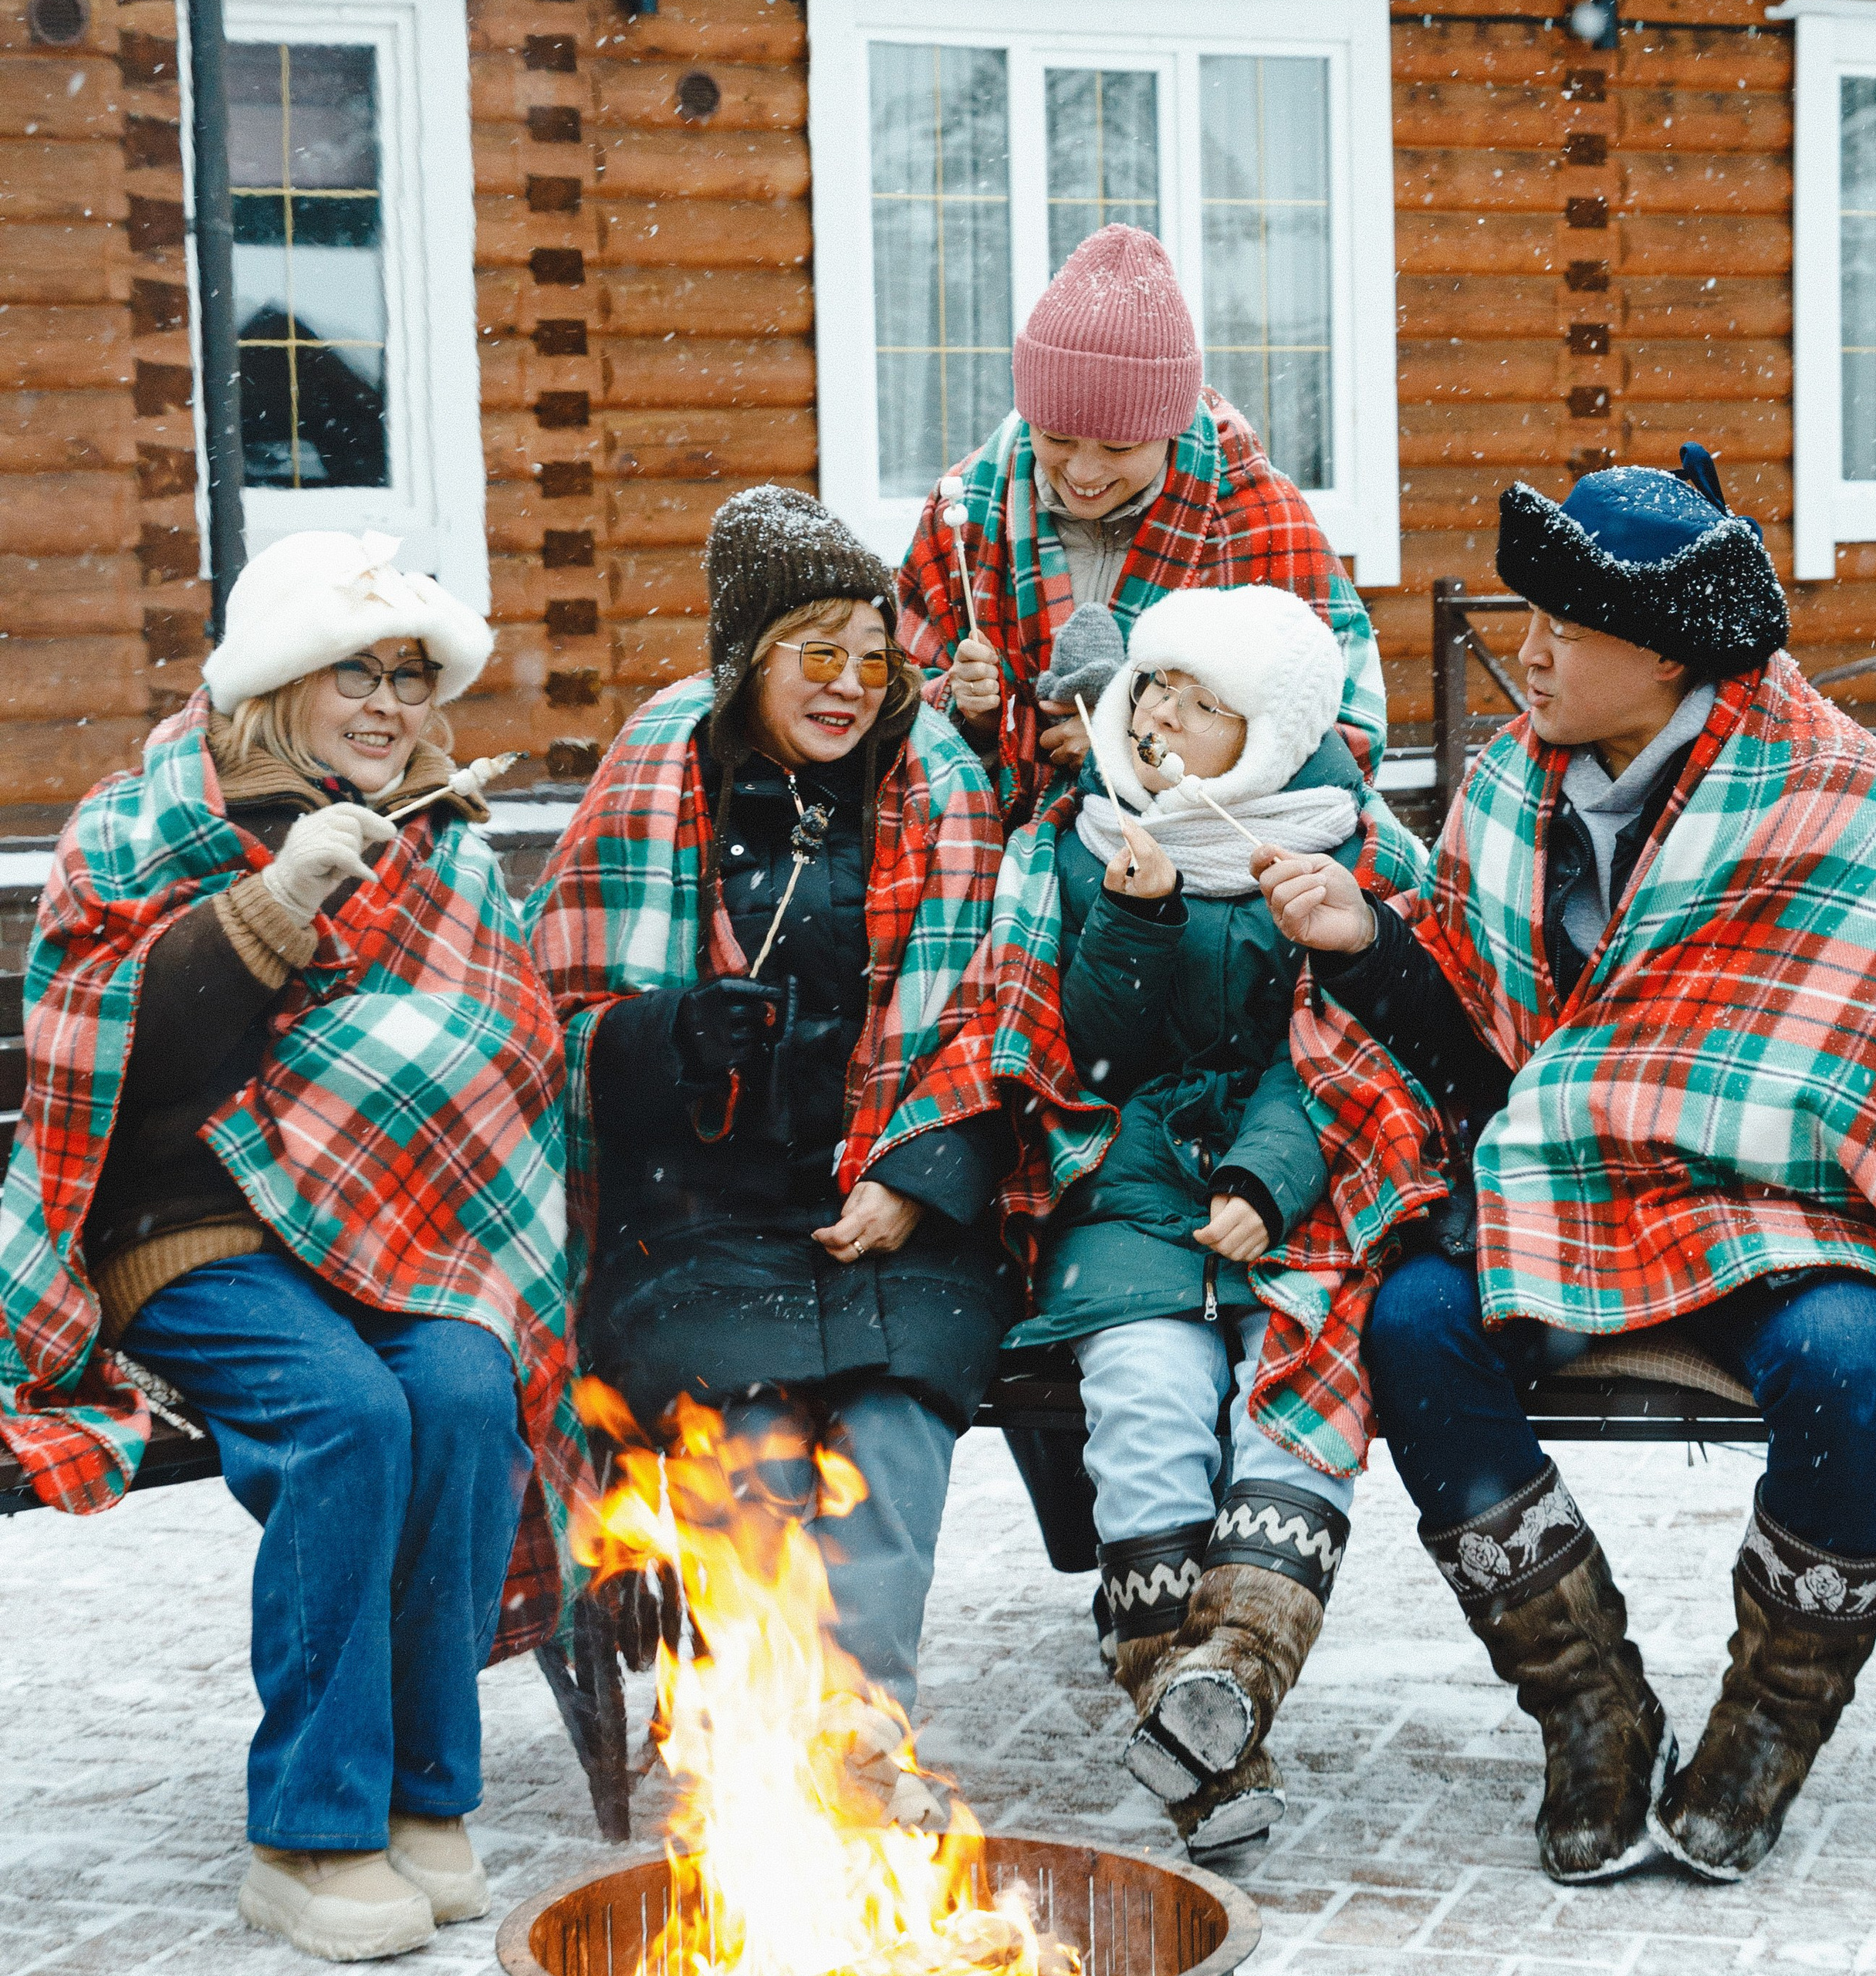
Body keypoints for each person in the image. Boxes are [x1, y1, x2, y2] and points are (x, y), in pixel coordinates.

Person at [1249, 445, 1876, 1886]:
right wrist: (1370, 950)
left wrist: (1632, 1113)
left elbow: (1860, 1066)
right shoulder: (1519, 787)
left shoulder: (1836, 794)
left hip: (1780, 1217)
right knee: (1409, 1326)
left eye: (1559, 631)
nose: (1523, 655)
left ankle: (1770, 1720)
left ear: (1659, 655)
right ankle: (1589, 1706)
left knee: (1851, 1357)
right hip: (1566, 1205)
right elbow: (1487, 1052)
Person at [0, 531, 577, 1962]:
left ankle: (427, 1801)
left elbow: (498, 1052)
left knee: (454, 1392)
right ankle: (309, 1835)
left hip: (400, 1232)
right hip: (185, 1228)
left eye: (408, 679)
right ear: (273, 689)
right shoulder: (145, 824)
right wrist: (278, 901)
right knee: (345, 1416)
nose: (387, 707)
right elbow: (119, 1091)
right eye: (353, 676)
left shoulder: (441, 845)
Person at [528, 488, 1016, 1790]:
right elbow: (555, 1021)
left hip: (885, 1201)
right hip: (696, 1210)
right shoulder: (656, 772)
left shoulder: (944, 787)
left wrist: (921, 1178)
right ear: (751, 658)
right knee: (745, 1432)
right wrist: (670, 1035)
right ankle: (752, 1733)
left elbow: (997, 1016)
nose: (852, 686)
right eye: (819, 654)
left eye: (874, 656)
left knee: (897, 1417)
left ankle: (856, 1740)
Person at [994, 585, 1408, 1858]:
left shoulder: (1349, 846)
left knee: (1294, 1395)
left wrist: (1266, 1182)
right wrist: (1136, 916)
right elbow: (1098, 1058)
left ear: (1271, 733)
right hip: (1129, 1185)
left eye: (1202, 703)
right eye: (1156, 684)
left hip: (1312, 1186)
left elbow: (1336, 1049)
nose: (1159, 714)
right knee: (1143, 1394)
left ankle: (1223, 1689)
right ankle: (1203, 1745)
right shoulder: (1077, 834)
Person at [896, 222, 1389, 827]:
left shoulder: (1263, 522)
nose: (1083, 471)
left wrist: (1123, 752)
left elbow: (1347, 725)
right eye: (1056, 436)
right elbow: (895, 697)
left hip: (1198, 885)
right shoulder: (964, 514)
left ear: (1170, 428)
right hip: (993, 861)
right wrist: (970, 713)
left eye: (1119, 446)